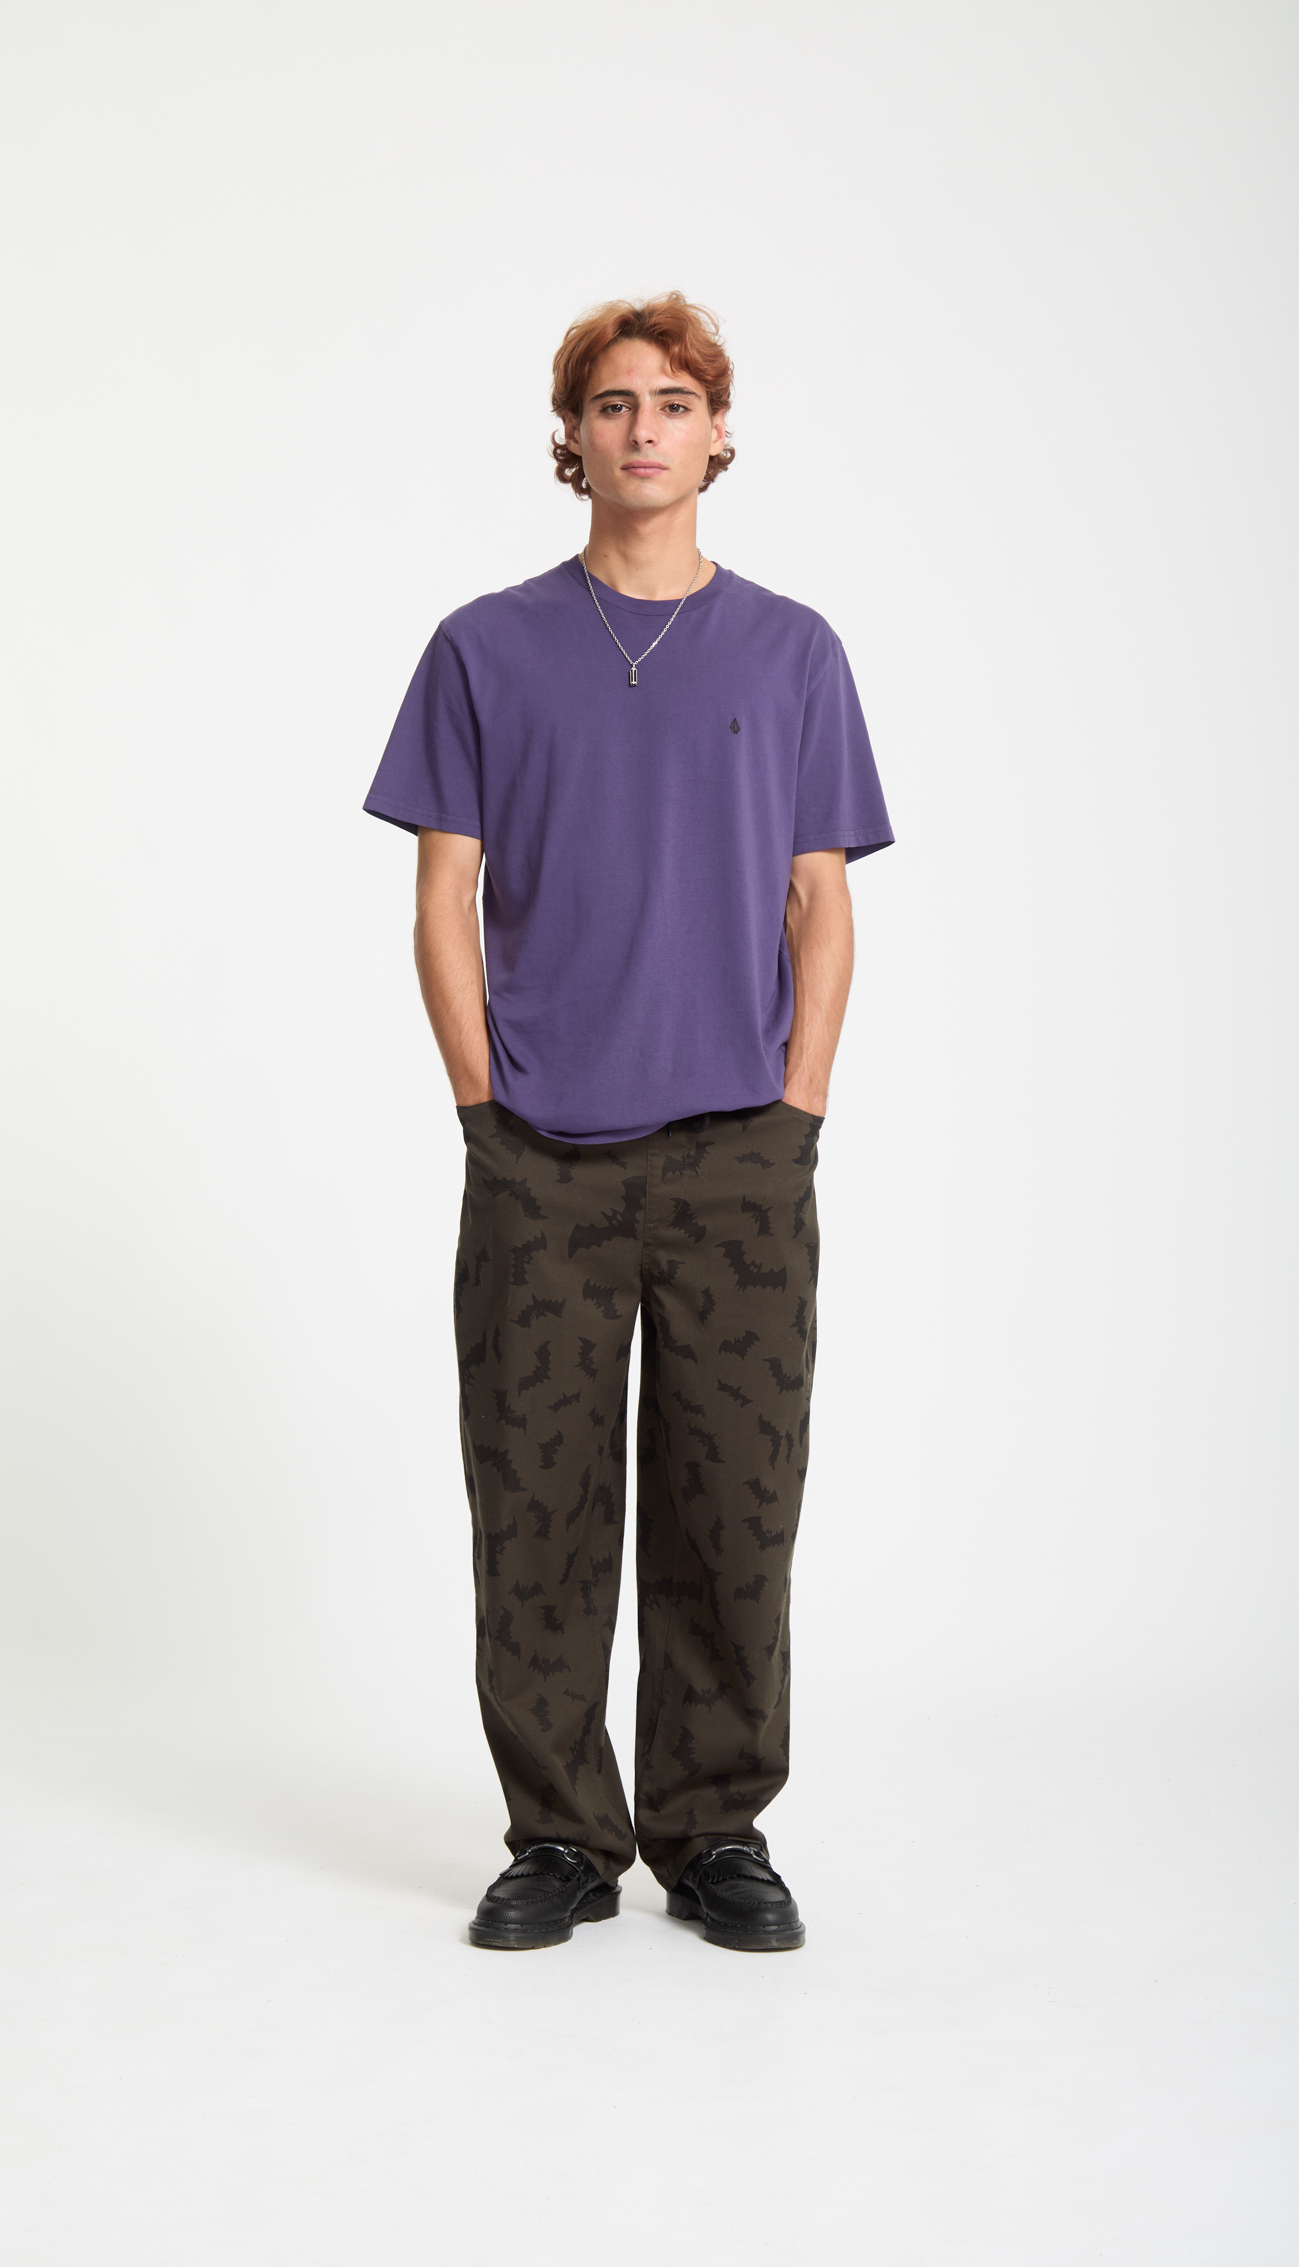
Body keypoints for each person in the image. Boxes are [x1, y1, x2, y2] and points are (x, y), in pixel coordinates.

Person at [362, 294, 892, 1953]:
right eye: (612, 402)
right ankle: (561, 1838)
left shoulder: (794, 650)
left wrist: (796, 1109)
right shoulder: (484, 648)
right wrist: (481, 1106)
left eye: (674, 401)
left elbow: (823, 902)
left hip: (739, 1148)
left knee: (735, 1498)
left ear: (718, 436)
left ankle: (713, 1826)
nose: (644, 425)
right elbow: (444, 898)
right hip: (541, 1156)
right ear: (570, 439)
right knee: (535, 1498)